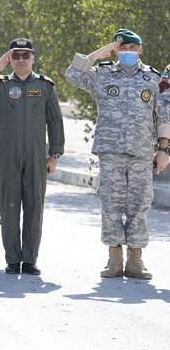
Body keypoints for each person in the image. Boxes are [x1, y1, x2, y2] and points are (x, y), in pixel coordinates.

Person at [65, 29, 170, 279]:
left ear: (140, 50)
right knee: (110, 203)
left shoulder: (153, 79)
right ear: (116, 50)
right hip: (110, 150)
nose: (128, 53)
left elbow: (163, 116)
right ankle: (114, 258)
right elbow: (73, 75)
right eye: (123, 49)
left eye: (133, 49)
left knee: (140, 204)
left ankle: (135, 259)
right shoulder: (102, 74)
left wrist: (163, 149)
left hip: (142, 152)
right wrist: (97, 54)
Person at [0, 38, 64, 275]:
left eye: (25, 55)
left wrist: (55, 154)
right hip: (8, 153)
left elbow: (55, 121)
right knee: (10, 206)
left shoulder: (45, 86)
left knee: (34, 205)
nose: (21, 60)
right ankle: (12, 259)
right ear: (9, 59)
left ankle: (29, 259)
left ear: (33, 58)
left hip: (36, 153)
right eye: (16, 56)